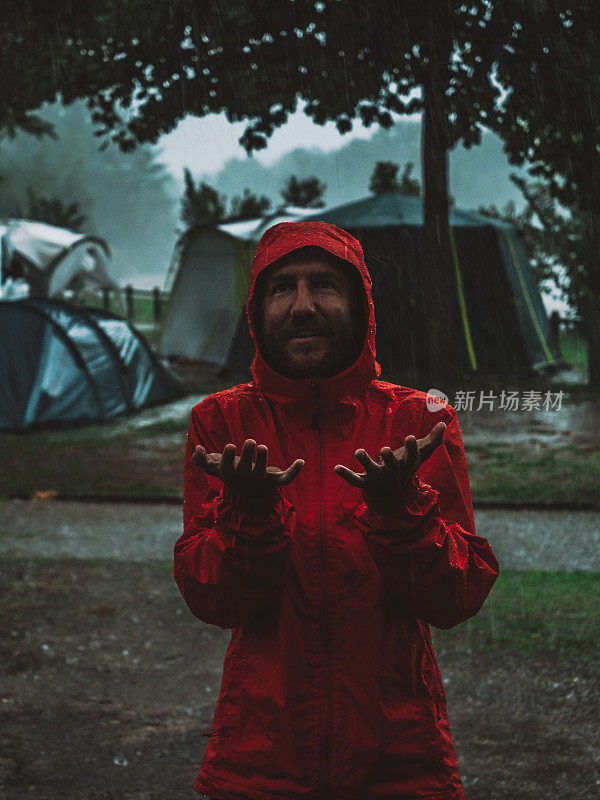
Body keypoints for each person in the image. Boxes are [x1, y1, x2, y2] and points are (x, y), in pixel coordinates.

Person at [175, 220, 499, 800]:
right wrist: (247, 519)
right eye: (282, 288)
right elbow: (214, 600)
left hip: (402, 763)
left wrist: (402, 515)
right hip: (257, 767)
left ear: (361, 304)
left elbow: (458, 598)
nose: (301, 307)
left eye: (324, 285)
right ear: (256, 309)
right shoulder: (222, 425)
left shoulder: (421, 423)